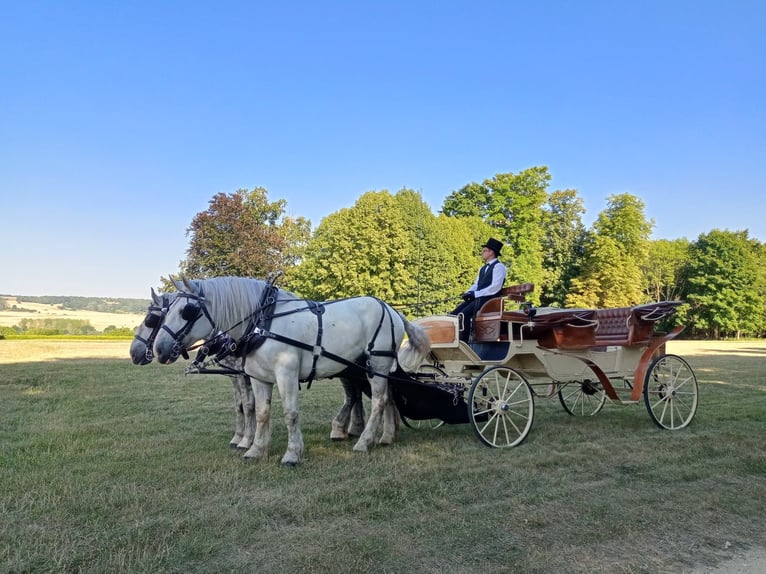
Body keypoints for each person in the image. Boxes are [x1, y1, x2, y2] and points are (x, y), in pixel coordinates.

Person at [451, 237, 507, 342]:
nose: (482, 253)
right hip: (479, 297)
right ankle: (453, 339)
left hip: (490, 299)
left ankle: (465, 342)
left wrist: (476, 294)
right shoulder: (482, 268)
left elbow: (495, 287)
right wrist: (468, 293)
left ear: (491, 252)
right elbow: (476, 284)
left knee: (464, 315)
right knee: (454, 315)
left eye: (485, 250)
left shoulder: (499, 267)